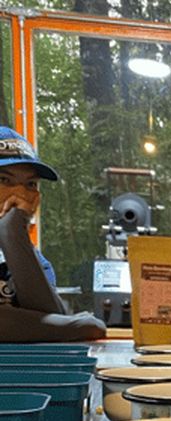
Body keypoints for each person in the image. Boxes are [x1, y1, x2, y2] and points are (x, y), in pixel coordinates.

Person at [0, 126, 105, 342]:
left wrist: (13, 232)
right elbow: (57, 326)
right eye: (4, 180)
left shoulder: (35, 262)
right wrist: (74, 327)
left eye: (30, 184)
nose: (19, 193)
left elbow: (49, 319)